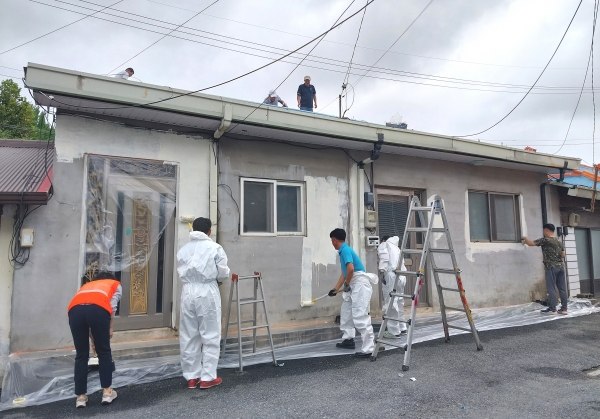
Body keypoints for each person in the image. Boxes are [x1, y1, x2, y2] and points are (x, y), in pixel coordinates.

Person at [177, 217, 230, 389]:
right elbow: (223, 273)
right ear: (209, 231)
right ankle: (207, 377)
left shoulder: (183, 249)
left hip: (187, 291)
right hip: (207, 290)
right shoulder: (215, 248)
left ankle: (192, 377)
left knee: (189, 334)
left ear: (193, 229)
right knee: (210, 334)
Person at [67, 271, 122, 408]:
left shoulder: (87, 285)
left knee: (81, 354)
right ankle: (107, 393)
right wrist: (110, 327)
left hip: (75, 311)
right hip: (98, 310)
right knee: (104, 352)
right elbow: (112, 307)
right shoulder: (115, 284)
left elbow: (86, 310)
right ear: (111, 279)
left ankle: (80, 397)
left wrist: (93, 339)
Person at [328, 228, 378, 358]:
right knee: (346, 312)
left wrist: (347, 284)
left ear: (335, 240)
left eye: (332, 240)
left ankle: (369, 349)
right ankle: (348, 339)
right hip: (354, 284)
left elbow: (350, 269)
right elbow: (345, 273)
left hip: (359, 285)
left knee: (360, 315)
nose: (332, 243)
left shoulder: (345, 250)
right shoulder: (344, 250)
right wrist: (335, 288)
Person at [523, 223, 568, 315]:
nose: (544, 232)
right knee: (562, 289)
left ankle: (553, 309)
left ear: (546, 230)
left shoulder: (545, 240)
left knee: (551, 288)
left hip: (551, 267)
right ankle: (564, 309)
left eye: (544, 231)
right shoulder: (559, 241)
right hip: (560, 267)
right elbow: (563, 255)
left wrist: (523, 237)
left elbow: (530, 243)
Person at [377, 235, 407, 338]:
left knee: (391, 302)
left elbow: (384, 258)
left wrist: (382, 271)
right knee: (399, 301)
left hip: (391, 275)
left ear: (383, 240)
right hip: (401, 276)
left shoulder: (384, 244)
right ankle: (402, 327)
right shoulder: (397, 248)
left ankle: (394, 331)